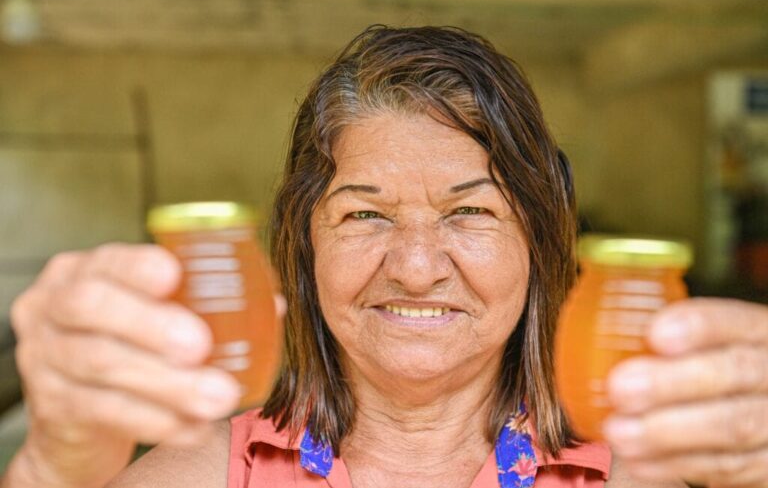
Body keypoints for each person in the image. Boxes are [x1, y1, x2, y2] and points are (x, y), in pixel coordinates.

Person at [2, 26, 767, 488]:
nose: (415, 265)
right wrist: (52, 467)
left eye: (469, 212)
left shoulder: (628, 478)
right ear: (305, 242)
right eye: (365, 213)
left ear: (538, 244)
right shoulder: (201, 473)